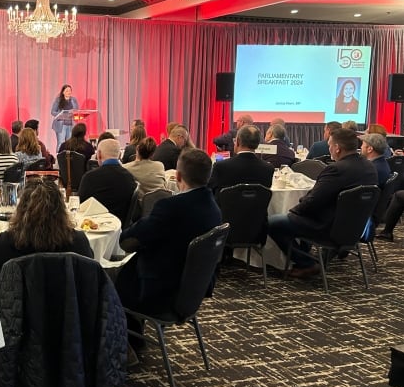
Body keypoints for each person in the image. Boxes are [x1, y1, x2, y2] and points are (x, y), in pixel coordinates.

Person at [116, 148, 222, 318]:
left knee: (112, 277)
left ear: (178, 177)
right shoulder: (214, 208)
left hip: (161, 290)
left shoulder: (170, 207)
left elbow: (132, 237)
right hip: (193, 290)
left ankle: (128, 339)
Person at [267, 127, 377, 278]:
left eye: (330, 144)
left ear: (337, 148)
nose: (329, 148)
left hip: (327, 227)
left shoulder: (336, 169)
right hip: (356, 228)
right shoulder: (369, 167)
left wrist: (294, 210)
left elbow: (313, 201)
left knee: (273, 222)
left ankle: (307, 263)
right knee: (293, 219)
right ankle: (308, 257)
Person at [0, 178, 93, 283]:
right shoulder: (79, 243)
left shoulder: (2, 246)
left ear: (21, 210)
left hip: (17, 299)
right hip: (69, 299)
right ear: (61, 211)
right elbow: (91, 284)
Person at [78, 138, 137, 225]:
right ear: (120, 155)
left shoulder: (89, 178)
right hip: (120, 228)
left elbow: (81, 206)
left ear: (99, 155)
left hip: (94, 227)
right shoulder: (130, 178)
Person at [207, 125, 273, 197]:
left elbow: (209, 191)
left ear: (237, 141)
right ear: (257, 145)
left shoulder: (220, 166)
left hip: (227, 207)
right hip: (257, 208)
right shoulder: (268, 169)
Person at [51, 84, 79, 152]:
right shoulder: (58, 100)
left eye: (70, 91)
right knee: (61, 143)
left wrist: (74, 112)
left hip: (71, 124)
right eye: (67, 91)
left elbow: (77, 110)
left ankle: (68, 160)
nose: (68, 92)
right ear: (63, 92)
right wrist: (61, 114)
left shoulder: (74, 100)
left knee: (69, 143)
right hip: (61, 125)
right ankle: (59, 159)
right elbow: (53, 112)